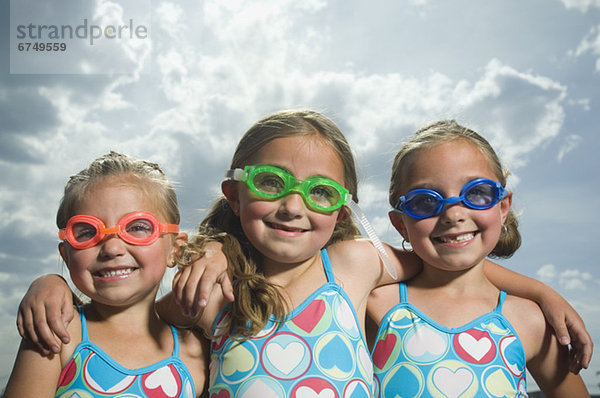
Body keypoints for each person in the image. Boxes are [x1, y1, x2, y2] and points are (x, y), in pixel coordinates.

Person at [16, 111, 592, 396]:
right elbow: (128, 316)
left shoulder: (356, 266)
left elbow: (443, 257)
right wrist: (54, 284)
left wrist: (538, 291)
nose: (293, 206)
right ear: (234, 194)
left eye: (319, 192)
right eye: (271, 184)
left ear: (341, 210)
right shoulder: (212, 290)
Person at [368, 120, 589, 397]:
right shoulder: (376, 306)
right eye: (425, 200)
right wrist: (541, 290)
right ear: (401, 224)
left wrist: (542, 294)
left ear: (502, 207)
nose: (453, 214)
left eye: (476, 193)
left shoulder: (530, 320)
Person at [4, 152, 207, 398]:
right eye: (87, 232)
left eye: (138, 227)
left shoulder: (196, 352)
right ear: (66, 255)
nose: (111, 248)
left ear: (175, 249)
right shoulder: (58, 335)